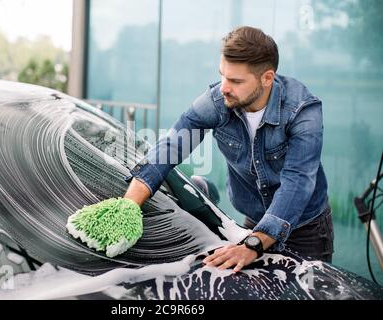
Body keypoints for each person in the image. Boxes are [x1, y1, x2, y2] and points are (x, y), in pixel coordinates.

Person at [123, 26, 333, 273]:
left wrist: (253, 244)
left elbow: (297, 182)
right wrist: (128, 206)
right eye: (223, 75)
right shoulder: (218, 100)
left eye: (235, 80)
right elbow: (171, 145)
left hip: (306, 230)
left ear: (267, 78)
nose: (224, 87)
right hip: (255, 221)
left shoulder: (303, 112)